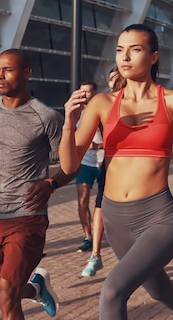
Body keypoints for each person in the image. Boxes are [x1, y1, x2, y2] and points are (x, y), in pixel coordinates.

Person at [60, 24, 173, 320]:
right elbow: (69, 165)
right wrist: (69, 122)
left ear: (154, 57)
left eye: (135, 49)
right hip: (114, 217)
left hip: (159, 217)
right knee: (157, 287)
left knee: (112, 290)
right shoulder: (102, 103)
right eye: (120, 50)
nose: (125, 57)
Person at [0, 49, 75, 319]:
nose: (0, 75)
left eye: (7, 69)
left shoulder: (47, 117)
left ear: (27, 73)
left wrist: (51, 184)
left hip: (28, 217)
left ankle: (26, 288)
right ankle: (36, 288)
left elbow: (71, 166)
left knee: (8, 296)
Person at [81, 67, 124, 278]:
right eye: (110, 79)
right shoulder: (104, 102)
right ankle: (95, 255)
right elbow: (88, 140)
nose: (112, 82)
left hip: (139, 168)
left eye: (116, 78)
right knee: (99, 205)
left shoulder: (140, 102)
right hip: (109, 164)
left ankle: (134, 257)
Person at [75, 81, 103, 254]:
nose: (84, 94)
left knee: (104, 203)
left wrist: (97, 146)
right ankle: (88, 237)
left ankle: (104, 233)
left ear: (95, 93)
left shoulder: (102, 110)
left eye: (87, 92)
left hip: (102, 162)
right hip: (84, 163)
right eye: (81, 91)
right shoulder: (77, 113)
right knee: (82, 199)